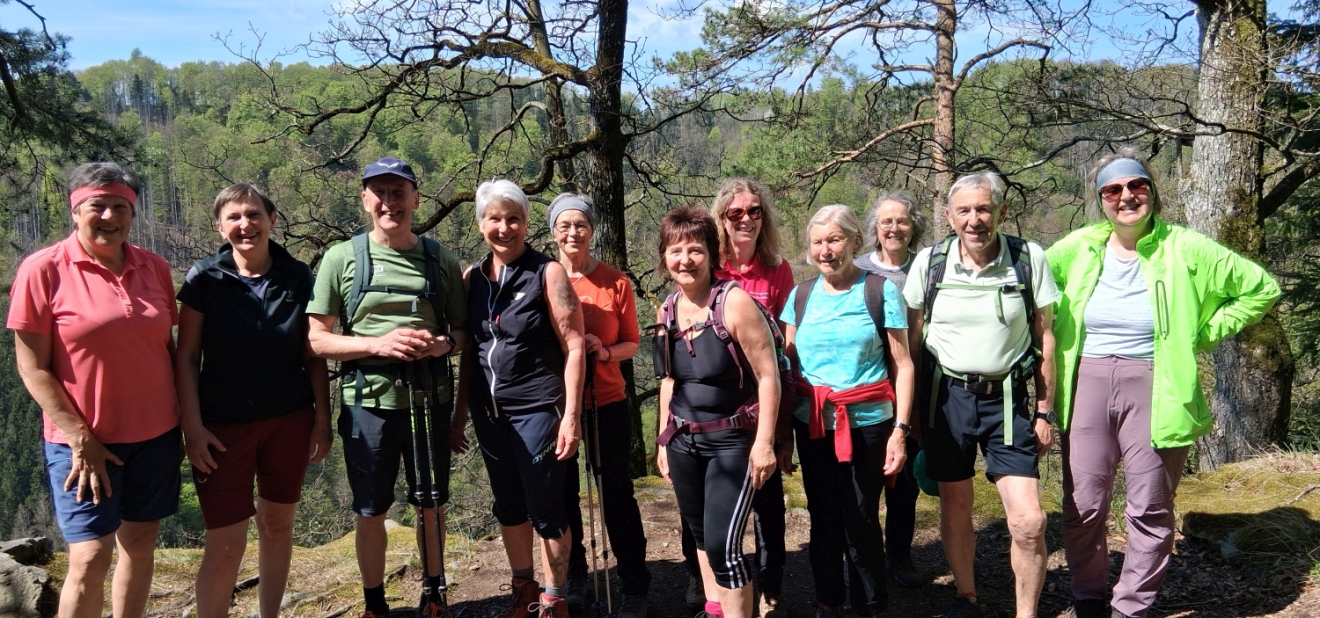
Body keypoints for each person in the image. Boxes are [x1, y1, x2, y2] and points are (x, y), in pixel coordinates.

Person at [1047, 155, 1280, 618]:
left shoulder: (1186, 247)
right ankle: (1089, 597)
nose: (1126, 197)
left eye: (1137, 186)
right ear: (1101, 201)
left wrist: (1202, 332)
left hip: (1158, 384)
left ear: (1152, 192)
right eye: (1113, 190)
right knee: (1083, 505)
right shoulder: (1076, 248)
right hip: (1085, 382)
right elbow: (1030, 288)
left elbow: (1261, 288)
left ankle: (1131, 606)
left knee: (1150, 506)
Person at [9, 162, 181, 618]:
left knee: (139, 546)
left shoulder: (155, 267)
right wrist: (79, 436)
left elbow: (166, 349)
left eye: (120, 206)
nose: (109, 216)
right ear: (74, 210)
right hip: (83, 444)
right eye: (97, 206)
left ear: (132, 212)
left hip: (156, 436)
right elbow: (31, 367)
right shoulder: (43, 269)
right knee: (88, 558)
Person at [307, 157, 468, 618]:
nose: (389, 202)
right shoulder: (341, 259)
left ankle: (434, 595)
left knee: (431, 505)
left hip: (429, 400)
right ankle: (375, 604)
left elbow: (462, 333)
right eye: (379, 192)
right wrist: (379, 342)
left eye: (399, 192)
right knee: (371, 509)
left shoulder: (440, 259)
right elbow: (317, 339)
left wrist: (440, 346)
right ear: (364, 200)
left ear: (416, 199)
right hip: (367, 405)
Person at [903, 171, 1062, 618]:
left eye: (984, 208)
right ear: (950, 217)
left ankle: (1025, 613)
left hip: (1008, 399)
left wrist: (1047, 410)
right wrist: (910, 412)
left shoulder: (1028, 257)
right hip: (944, 397)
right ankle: (966, 597)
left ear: (1002, 212)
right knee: (956, 502)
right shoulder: (930, 263)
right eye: (965, 210)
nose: (975, 219)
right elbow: (911, 342)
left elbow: (1046, 336)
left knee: (1029, 521)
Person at [175, 184, 332, 618]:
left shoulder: (298, 276)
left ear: (272, 219)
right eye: (234, 217)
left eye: (254, 214)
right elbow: (186, 357)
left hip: (290, 420)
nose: (245, 224)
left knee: (278, 527)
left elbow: (311, 352)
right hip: (221, 429)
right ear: (220, 226)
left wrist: (323, 418)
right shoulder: (203, 279)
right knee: (225, 546)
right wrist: (192, 427)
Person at [457, 179, 586, 618]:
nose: (504, 227)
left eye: (514, 218)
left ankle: (554, 599)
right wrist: (459, 416)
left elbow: (574, 345)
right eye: (495, 218)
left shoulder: (547, 272)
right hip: (490, 414)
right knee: (509, 507)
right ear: (481, 225)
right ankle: (524, 589)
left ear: (527, 222)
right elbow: (471, 355)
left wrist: (570, 416)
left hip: (537, 409)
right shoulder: (471, 278)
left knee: (545, 508)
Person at [781, 205, 915, 618]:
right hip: (814, 423)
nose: (826, 250)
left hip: (868, 425)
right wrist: (783, 436)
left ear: (856, 242)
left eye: (835, 240)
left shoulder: (880, 291)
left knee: (860, 517)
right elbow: (789, 367)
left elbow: (903, 364)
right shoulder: (800, 296)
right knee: (822, 518)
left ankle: (869, 604)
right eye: (818, 242)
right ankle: (828, 601)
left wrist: (901, 430)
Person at [655, 206, 781, 618]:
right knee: (701, 538)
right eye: (676, 251)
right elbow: (669, 381)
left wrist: (763, 443)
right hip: (683, 441)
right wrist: (662, 441)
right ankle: (715, 611)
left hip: (732, 443)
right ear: (664, 257)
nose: (685, 260)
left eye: (695, 250)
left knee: (725, 548)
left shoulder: (734, 303)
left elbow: (768, 376)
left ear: (711, 254)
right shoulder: (668, 311)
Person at [549, 193, 652, 618]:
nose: (573, 233)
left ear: (592, 229)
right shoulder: (545, 278)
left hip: (606, 398)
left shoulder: (616, 282)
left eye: (581, 225)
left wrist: (604, 352)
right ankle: (575, 574)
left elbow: (632, 341)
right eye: (564, 225)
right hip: (555, 404)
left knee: (616, 494)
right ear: (553, 230)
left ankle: (633, 582)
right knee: (564, 494)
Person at [698, 178, 793, 618]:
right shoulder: (708, 267)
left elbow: (787, 349)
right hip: (715, 407)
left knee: (767, 498)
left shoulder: (778, 270)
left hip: (765, 404)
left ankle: (770, 584)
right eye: (735, 213)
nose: (747, 219)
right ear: (721, 219)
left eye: (754, 211)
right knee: (707, 500)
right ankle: (709, 587)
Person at [854, 191, 929, 588]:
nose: (894, 228)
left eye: (902, 220)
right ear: (874, 229)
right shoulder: (857, 269)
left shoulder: (927, 268)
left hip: (913, 387)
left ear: (913, 225)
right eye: (886, 221)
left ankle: (899, 556)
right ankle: (865, 559)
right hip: (867, 390)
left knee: (905, 483)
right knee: (865, 481)